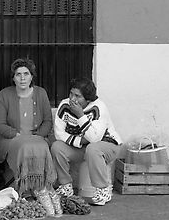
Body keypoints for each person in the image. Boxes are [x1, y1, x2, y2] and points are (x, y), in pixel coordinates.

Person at [0, 58, 59, 216]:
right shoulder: (5, 94)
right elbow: (0, 125)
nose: (22, 78)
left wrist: (38, 135)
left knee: (40, 145)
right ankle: (39, 189)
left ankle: (45, 188)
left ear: (32, 76)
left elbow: (47, 121)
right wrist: (17, 135)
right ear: (13, 77)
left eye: (26, 74)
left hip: (36, 138)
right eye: (18, 74)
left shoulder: (40, 93)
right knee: (25, 146)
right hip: (12, 139)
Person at [51, 77, 122, 206]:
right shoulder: (64, 105)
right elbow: (59, 133)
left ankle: (103, 190)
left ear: (88, 99)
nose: (72, 99)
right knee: (57, 147)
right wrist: (80, 141)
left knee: (93, 148)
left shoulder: (99, 107)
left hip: (107, 145)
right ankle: (66, 186)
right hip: (81, 147)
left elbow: (94, 138)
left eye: (77, 96)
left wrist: (80, 116)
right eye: (71, 93)